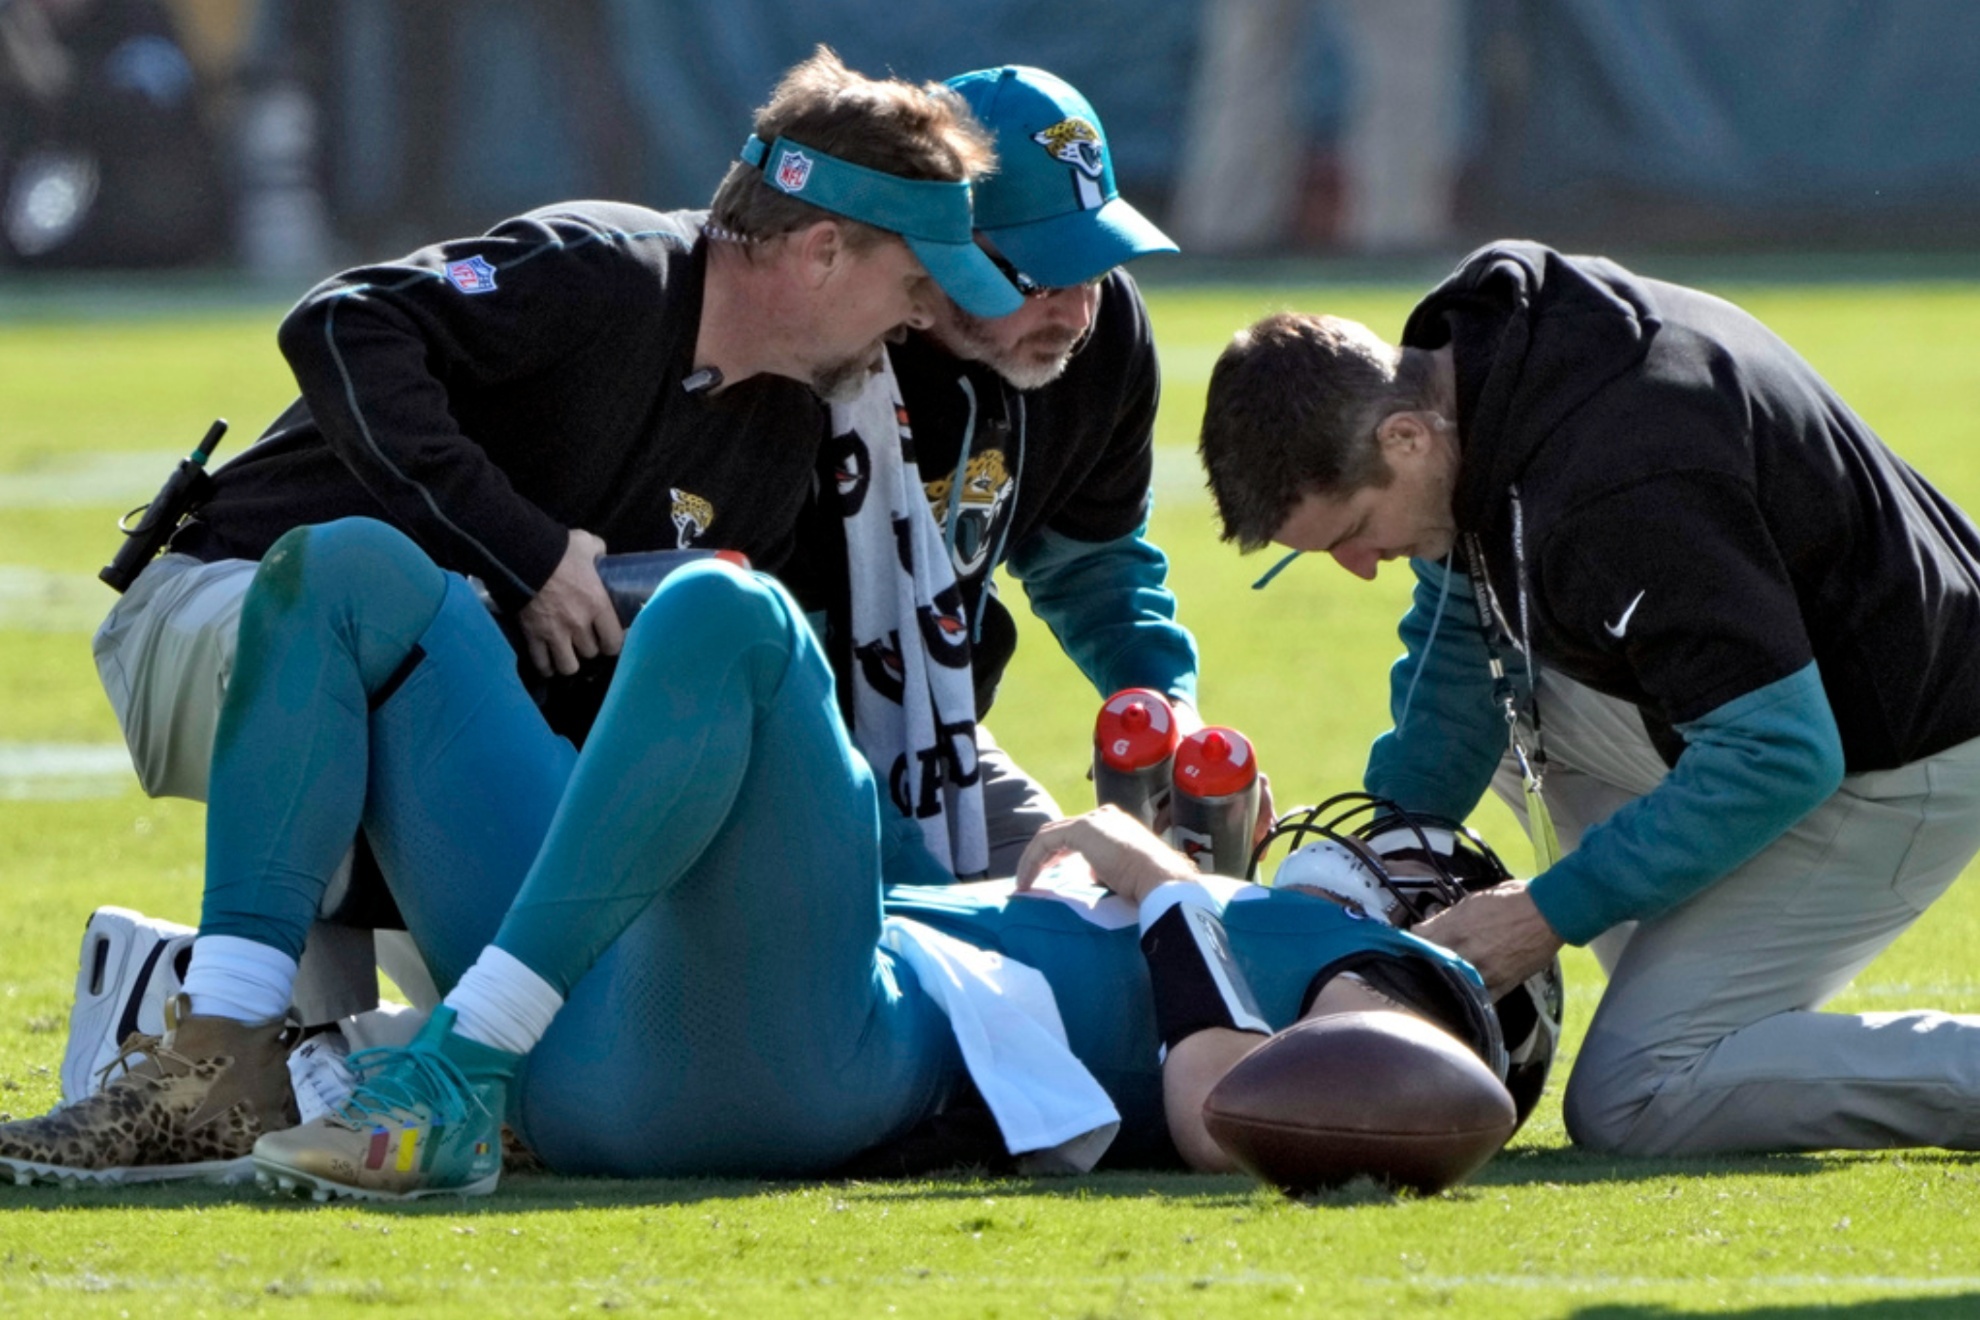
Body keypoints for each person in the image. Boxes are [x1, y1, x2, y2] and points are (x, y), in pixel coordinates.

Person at [0, 517, 1507, 1191]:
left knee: (733, 613)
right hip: (627, 1009)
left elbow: (1234, 1110)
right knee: (352, 576)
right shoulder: (1132, 906)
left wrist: (1180, 895)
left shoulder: (1332, 951)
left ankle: (458, 1073)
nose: (1348, 841)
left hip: (795, 1063)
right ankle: (222, 1053)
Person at [75, 46, 1018, 1041]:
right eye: (915, 279)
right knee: (407, 667)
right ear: (823, 250)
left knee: (555, 1045)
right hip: (224, 608)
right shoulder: (607, 269)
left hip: (425, 699)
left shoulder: (780, 437)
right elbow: (341, 323)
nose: (923, 316)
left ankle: (202, 1021)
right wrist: (524, 552)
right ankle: (228, 1026)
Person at [1196, 240, 1980, 1157]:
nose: (1361, 567)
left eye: (1355, 532)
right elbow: (1466, 649)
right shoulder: (1477, 377)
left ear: (1403, 437)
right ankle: (1694, 991)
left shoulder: (1619, 475)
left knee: (1634, 1096)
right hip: (1811, 709)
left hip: (1908, 749)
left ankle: (1702, 1023)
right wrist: (1373, 862)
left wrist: (1544, 915)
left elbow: (1781, 753)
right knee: (1517, 708)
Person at [787, 65, 1218, 872]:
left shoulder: (1103, 336)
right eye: (1042, 271)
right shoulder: (818, 342)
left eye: (1096, 261)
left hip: (938, 736)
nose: (1078, 310)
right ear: (941, 244)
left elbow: (1092, 562)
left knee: (1082, 917)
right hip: (773, 748)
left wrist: (1164, 701)